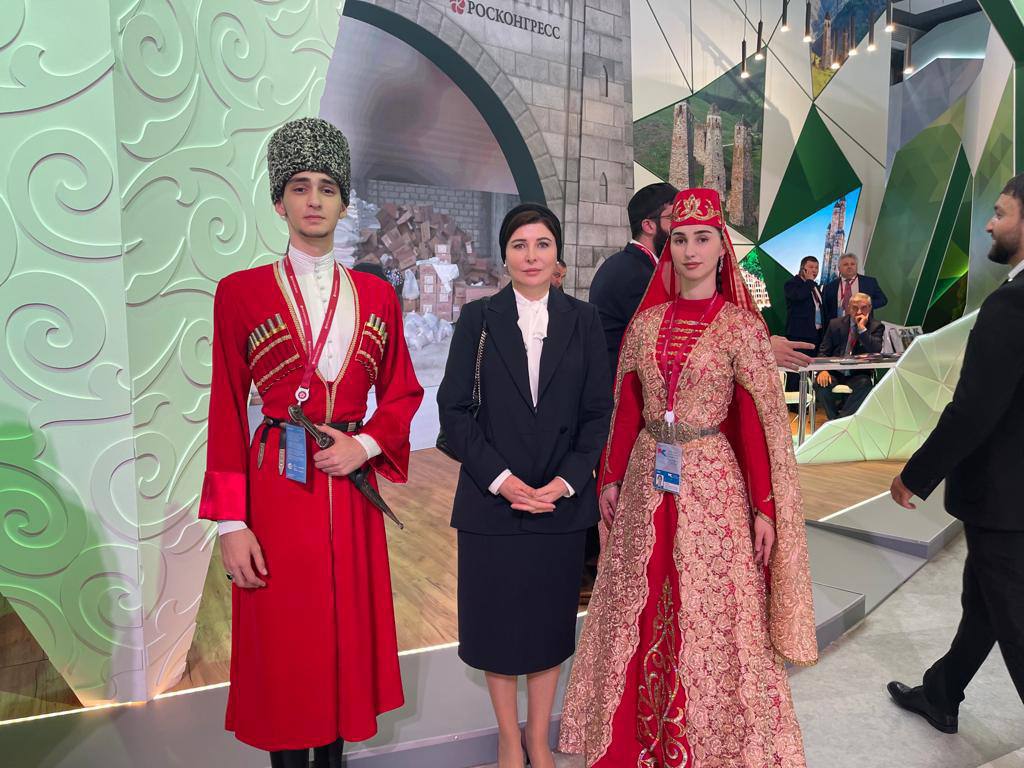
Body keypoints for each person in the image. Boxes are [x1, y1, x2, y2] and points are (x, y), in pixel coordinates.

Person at [559, 188, 818, 767]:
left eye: (703, 238)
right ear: (667, 245)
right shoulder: (647, 324)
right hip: (646, 479)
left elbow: (755, 425)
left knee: (711, 609)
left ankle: (715, 743)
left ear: (722, 248)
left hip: (713, 484)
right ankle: (630, 741)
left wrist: (765, 508)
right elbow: (627, 406)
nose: (690, 250)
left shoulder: (741, 330)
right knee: (639, 596)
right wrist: (609, 477)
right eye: (680, 239)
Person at [199, 118, 424, 768]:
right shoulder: (239, 293)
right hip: (276, 488)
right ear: (280, 202)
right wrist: (231, 524)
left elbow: (403, 393)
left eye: (328, 187)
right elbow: (224, 411)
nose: (315, 200)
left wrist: (367, 446)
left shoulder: (377, 295)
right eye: (300, 187)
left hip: (350, 492)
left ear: (344, 202)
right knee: (285, 642)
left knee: (342, 640)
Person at [437, 203, 612, 768]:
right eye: (519, 245)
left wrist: (566, 481)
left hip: (560, 503)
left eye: (542, 244)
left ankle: (538, 736)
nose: (531, 256)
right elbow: (453, 410)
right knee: (496, 627)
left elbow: (598, 413)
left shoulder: (584, 320)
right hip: (492, 500)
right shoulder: (478, 318)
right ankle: (508, 738)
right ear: (504, 255)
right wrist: (502, 481)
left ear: (557, 253)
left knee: (547, 627)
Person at [887, 173, 1024, 731]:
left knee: (1012, 618)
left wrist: (916, 475)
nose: (990, 224)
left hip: (1005, 498)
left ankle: (941, 694)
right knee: (984, 602)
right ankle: (942, 694)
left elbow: (973, 410)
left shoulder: (1011, 305)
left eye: (1001, 213)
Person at [814, 292, 885, 420]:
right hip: (834, 372)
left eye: (863, 307)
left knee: (865, 385)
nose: (859, 312)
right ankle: (837, 420)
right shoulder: (835, 324)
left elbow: (875, 349)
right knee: (821, 385)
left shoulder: (876, 326)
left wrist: (862, 329)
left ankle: (838, 422)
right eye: (855, 308)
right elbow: (824, 351)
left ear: (870, 308)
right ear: (848, 308)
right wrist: (822, 370)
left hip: (858, 374)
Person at [821, 253, 888, 320]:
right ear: (839, 268)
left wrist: (865, 305)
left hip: (862, 323)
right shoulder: (829, 287)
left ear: (856, 266)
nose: (849, 267)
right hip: (837, 324)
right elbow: (825, 310)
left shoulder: (869, 282)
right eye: (845, 264)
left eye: (852, 264)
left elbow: (882, 300)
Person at [784, 256, 824, 349]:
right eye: (811, 267)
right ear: (803, 269)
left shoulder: (814, 286)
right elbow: (799, 296)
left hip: (816, 334)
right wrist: (809, 281)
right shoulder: (791, 284)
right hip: (800, 335)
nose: (814, 270)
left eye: (816, 268)